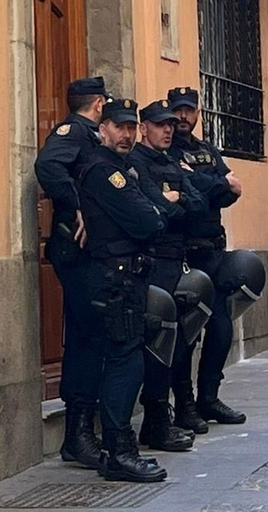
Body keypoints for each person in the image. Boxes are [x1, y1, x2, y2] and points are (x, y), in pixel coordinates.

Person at [78, 97, 168, 482]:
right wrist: (156, 212)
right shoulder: (105, 171)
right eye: (119, 127)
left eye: (131, 127)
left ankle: (118, 448)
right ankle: (119, 452)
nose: (127, 134)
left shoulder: (121, 168)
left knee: (126, 359)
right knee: (124, 363)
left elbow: (154, 213)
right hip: (115, 279)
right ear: (103, 129)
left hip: (126, 276)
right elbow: (149, 220)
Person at [34, 75, 108, 466]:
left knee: (92, 337)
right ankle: (78, 434)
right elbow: (47, 165)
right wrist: (76, 204)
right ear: (99, 104)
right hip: (76, 252)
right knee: (86, 339)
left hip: (91, 253)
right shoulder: (75, 132)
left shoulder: (90, 135)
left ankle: (84, 431)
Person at [167, 86, 247, 429]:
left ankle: (209, 397)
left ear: (198, 113)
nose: (183, 117)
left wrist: (211, 184)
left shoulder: (207, 150)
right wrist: (216, 184)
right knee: (187, 331)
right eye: (178, 111)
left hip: (213, 248)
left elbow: (231, 192)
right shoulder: (166, 151)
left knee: (221, 325)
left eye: (189, 110)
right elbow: (199, 190)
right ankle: (185, 404)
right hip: (185, 251)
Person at [130, 100, 205, 453]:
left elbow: (198, 204)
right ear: (143, 128)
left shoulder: (173, 161)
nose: (168, 130)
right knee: (157, 341)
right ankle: (155, 419)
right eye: (161, 125)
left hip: (177, 259)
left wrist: (175, 199)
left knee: (182, 340)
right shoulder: (136, 162)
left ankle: (179, 408)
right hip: (154, 261)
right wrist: (171, 203)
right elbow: (154, 212)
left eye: (171, 125)